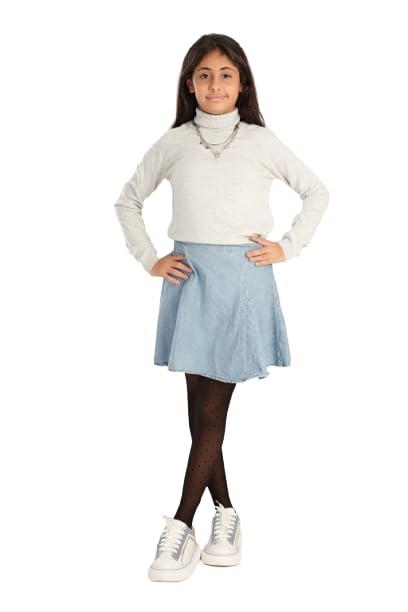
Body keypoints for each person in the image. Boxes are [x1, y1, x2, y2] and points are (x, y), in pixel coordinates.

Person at [114, 33, 329, 582]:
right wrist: (150, 259)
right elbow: (128, 200)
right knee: (200, 411)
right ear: (190, 84)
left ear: (242, 83)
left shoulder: (260, 141)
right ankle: (227, 515)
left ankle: (181, 525)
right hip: (190, 283)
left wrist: (288, 246)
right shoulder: (174, 142)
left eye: (226, 74)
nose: (215, 84)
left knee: (212, 411)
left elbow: (316, 192)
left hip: (241, 283)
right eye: (205, 74)